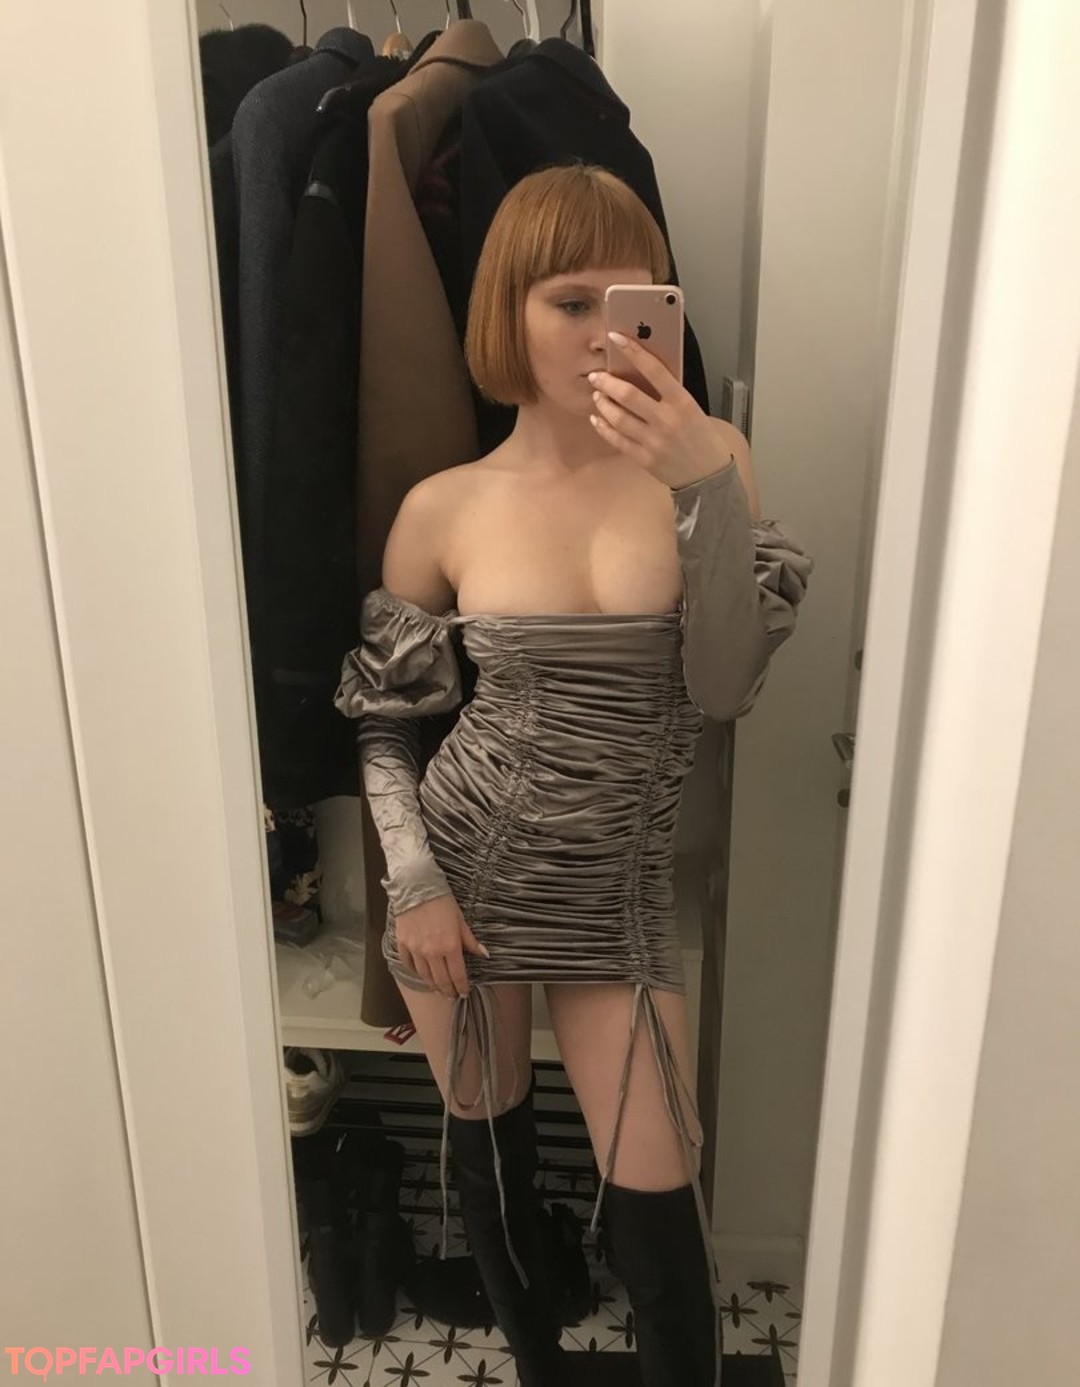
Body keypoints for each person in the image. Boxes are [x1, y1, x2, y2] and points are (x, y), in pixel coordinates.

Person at [335, 163, 813, 1387]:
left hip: (616, 895)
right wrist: (414, 883)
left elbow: (725, 687)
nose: (604, 332)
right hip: (462, 881)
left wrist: (702, 485)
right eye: (568, 301)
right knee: (491, 1176)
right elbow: (386, 725)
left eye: (630, 298)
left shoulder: (713, 462)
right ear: (507, 312)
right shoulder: (445, 505)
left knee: (661, 1207)